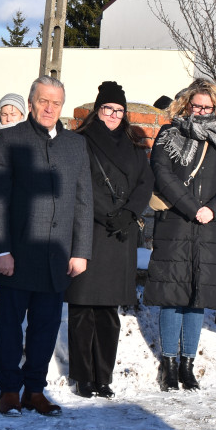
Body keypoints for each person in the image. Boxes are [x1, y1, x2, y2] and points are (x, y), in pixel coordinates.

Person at [0, 75, 92, 416]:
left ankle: (34, 390)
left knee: (45, 328)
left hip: (56, 256)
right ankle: (8, 390)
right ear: (31, 103)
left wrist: (81, 251)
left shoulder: (76, 144)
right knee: (10, 326)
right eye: (43, 101)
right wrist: (1, 250)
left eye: (55, 103)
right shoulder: (9, 139)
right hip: (16, 255)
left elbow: (84, 201)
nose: (49, 108)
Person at [143, 79, 216, 392]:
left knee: (198, 297)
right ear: (186, 104)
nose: (200, 111)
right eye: (196, 106)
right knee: (172, 296)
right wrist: (192, 207)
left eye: (207, 107)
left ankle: (187, 365)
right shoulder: (169, 133)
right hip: (176, 222)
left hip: (210, 226)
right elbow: (162, 174)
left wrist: (213, 208)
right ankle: (169, 365)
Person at [66, 82, 154, 399]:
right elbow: (79, 184)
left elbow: (145, 182)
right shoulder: (81, 142)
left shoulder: (133, 146)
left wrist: (129, 213)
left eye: (119, 110)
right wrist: (107, 214)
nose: (114, 115)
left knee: (108, 312)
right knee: (82, 309)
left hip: (121, 235)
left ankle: (103, 376)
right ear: (97, 110)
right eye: (108, 109)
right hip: (89, 231)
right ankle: (82, 376)